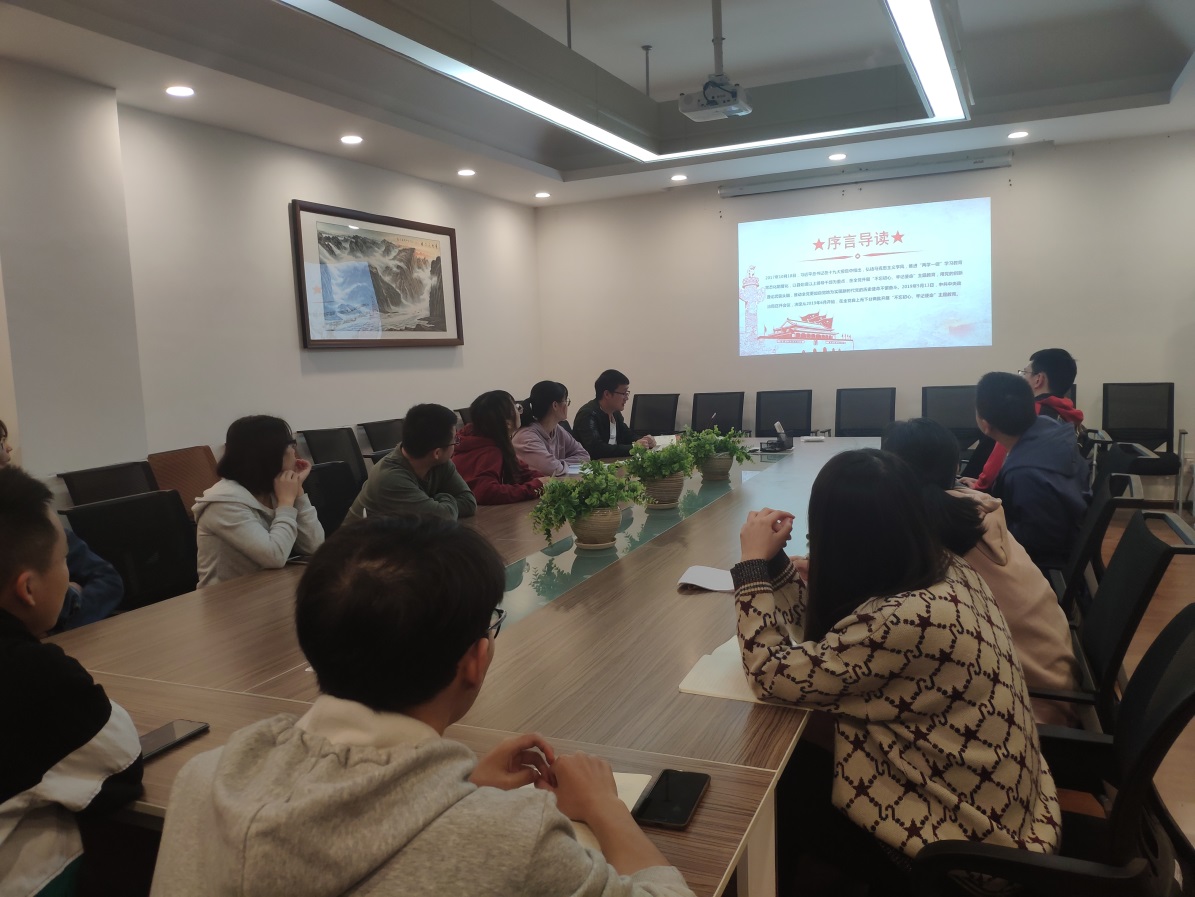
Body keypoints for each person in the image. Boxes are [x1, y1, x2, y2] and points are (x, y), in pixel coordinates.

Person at [150, 515, 696, 897]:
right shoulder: (515, 839)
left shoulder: (205, 780)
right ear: (475, 660)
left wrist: (456, 789)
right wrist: (604, 805)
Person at [731, 450, 1060, 892]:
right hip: (1011, 815)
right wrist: (776, 566)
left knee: (778, 781)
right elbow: (830, 642)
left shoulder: (906, 621)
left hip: (968, 855)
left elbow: (769, 674)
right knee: (800, 750)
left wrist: (752, 566)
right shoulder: (945, 567)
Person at [0, 465, 143, 895]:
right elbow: (120, 768)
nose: (68, 573)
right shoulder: (34, 673)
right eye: (63, 561)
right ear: (28, 589)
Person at [883, 418, 1080, 726]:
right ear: (954, 467)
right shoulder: (976, 509)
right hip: (1055, 681)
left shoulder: (923, 531)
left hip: (1026, 714)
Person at [0, 416, 125, 629]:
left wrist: (65, 608)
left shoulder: (33, 517)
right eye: (2, 442)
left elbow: (108, 580)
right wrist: (70, 594)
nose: (9, 448)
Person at [976, 372, 1090, 570]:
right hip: (1067, 533)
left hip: (1043, 566)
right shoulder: (1049, 427)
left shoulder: (1024, 473)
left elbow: (1036, 542)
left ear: (986, 425)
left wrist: (983, 524)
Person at [194, 415, 324, 586]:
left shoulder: (274, 487)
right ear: (270, 453)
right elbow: (274, 556)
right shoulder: (224, 503)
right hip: (227, 598)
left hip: (268, 588)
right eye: (291, 445)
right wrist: (286, 503)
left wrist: (298, 493)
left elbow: (314, 547)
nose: (294, 452)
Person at [962, 348, 1085, 490]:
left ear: (1038, 379)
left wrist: (979, 485)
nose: (1022, 377)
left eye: (1025, 373)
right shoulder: (1065, 413)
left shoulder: (1032, 413)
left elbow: (1000, 456)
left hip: (1011, 494)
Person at [347, 403, 476, 523]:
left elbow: (469, 502)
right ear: (437, 453)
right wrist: (443, 500)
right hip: (362, 540)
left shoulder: (440, 463)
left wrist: (435, 503)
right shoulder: (391, 479)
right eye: (454, 440)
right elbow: (443, 517)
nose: (456, 444)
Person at [454, 390, 548, 504]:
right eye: (516, 408)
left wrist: (540, 480)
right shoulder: (489, 451)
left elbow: (521, 471)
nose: (520, 412)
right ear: (507, 423)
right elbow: (487, 492)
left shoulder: (490, 440)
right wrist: (533, 487)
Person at [573, 369, 656, 459]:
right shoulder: (587, 415)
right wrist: (634, 447)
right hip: (593, 466)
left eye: (627, 393)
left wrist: (645, 440)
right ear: (607, 394)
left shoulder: (615, 413)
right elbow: (596, 449)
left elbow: (627, 435)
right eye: (623, 393)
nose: (626, 398)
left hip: (613, 463)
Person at [513, 380, 590, 476]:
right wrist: (557, 465)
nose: (567, 406)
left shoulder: (557, 429)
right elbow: (552, 469)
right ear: (555, 405)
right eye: (565, 401)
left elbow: (584, 456)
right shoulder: (526, 437)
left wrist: (558, 463)